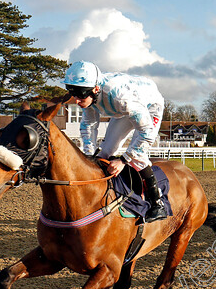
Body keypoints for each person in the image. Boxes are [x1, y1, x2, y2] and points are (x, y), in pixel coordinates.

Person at [63, 60, 167, 223]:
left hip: (148, 106)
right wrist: (89, 155)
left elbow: (146, 134)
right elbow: (88, 125)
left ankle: (157, 203)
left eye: (80, 94)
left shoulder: (119, 97)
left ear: (95, 89)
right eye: (72, 92)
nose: (76, 100)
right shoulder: (89, 95)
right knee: (104, 152)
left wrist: (123, 161)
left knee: (137, 156)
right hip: (126, 110)